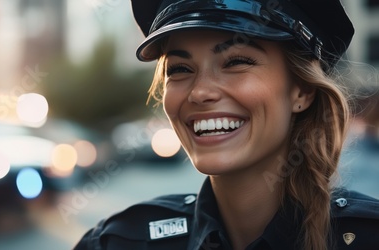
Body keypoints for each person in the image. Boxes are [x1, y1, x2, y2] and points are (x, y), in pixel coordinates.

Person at [73, 0, 379, 249]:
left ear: (301, 90)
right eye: (180, 68)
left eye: (235, 62)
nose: (200, 92)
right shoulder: (117, 243)